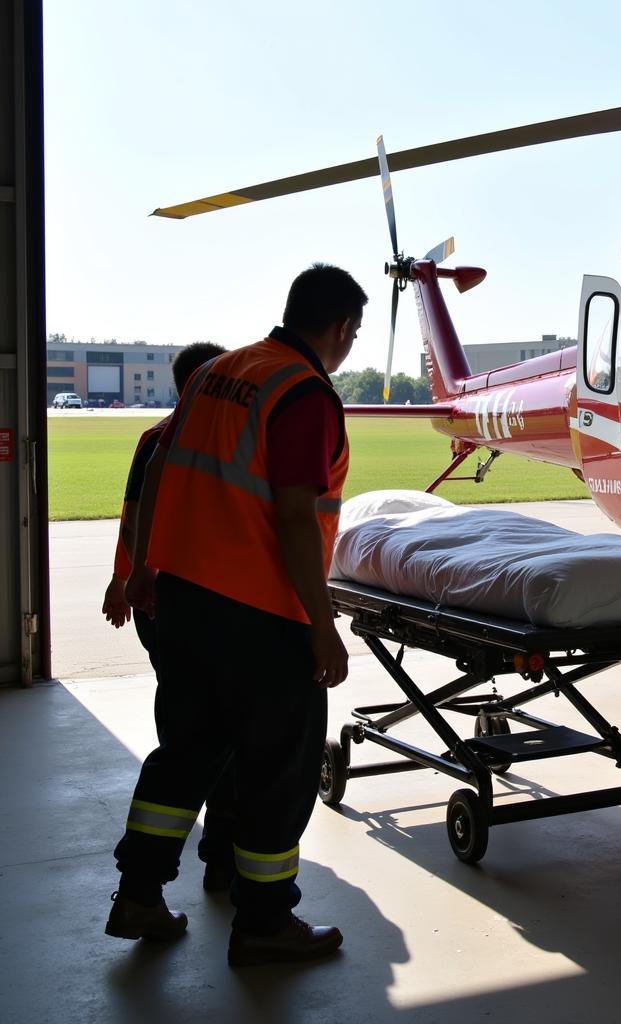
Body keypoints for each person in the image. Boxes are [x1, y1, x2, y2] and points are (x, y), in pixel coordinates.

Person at [105, 263, 367, 966]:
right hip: (260, 612)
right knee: (280, 768)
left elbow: (160, 467)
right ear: (343, 327)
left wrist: (143, 567)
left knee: (186, 751)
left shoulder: (217, 373)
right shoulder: (304, 393)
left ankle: (138, 893)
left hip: (185, 599)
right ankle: (264, 921)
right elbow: (291, 514)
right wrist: (321, 623)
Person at [101, 341, 236, 890]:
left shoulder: (155, 437)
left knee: (186, 734)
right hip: (205, 611)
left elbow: (133, 518)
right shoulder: (213, 441)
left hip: (162, 605)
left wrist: (126, 578)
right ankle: (218, 856)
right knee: (218, 737)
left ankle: (150, 877)